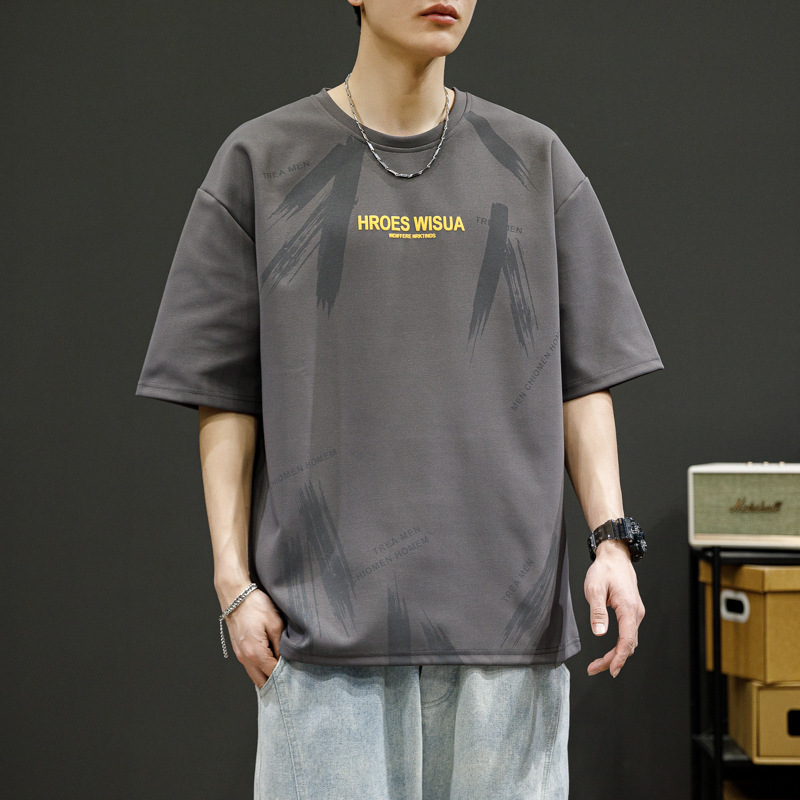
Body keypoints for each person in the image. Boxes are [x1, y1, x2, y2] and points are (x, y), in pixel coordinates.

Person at [135, 1, 663, 797]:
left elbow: (583, 376)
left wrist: (612, 542)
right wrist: (231, 582)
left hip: (507, 636)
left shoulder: (534, 161)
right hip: (323, 644)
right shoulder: (263, 161)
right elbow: (224, 392)